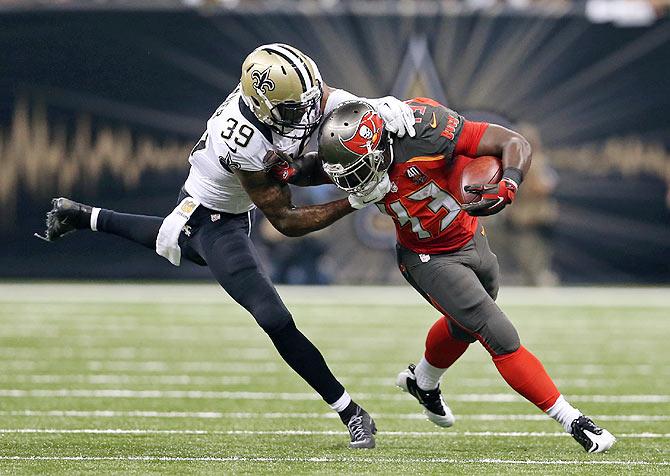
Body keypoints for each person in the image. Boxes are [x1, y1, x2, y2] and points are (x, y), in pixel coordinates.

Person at [35, 43, 416, 449]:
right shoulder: (242, 138)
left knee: (175, 240)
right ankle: (351, 412)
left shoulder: (293, 94)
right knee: (271, 316)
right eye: (293, 110)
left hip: (224, 206)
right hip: (213, 217)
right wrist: (355, 200)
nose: (306, 115)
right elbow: (286, 221)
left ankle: (80, 215)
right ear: (264, 106)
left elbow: (327, 101)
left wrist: (380, 107)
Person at [267, 98, 616, 453]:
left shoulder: (426, 130)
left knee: (465, 325)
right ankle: (573, 420)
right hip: (425, 257)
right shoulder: (355, 153)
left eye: (358, 170)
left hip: (470, 237)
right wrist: (290, 171)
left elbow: (514, 143)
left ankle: (424, 381)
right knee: (498, 332)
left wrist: (509, 183)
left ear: (379, 147)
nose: (354, 181)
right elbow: (320, 168)